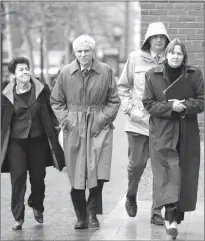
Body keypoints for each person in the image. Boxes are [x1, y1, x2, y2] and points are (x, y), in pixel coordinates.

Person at [50, 35, 121, 230]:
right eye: (79, 51)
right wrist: (66, 120)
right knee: (76, 172)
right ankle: (81, 215)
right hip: (74, 128)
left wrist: (102, 119)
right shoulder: (65, 73)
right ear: (74, 53)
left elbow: (114, 100)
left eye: (87, 50)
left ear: (93, 51)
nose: (83, 54)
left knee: (99, 172)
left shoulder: (106, 71)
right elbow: (56, 101)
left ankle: (92, 213)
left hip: (99, 127)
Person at [142, 38, 204, 239]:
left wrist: (184, 104)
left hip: (187, 131)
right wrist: (170, 107)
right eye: (172, 53)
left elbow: (202, 102)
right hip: (163, 132)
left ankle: (176, 217)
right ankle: (170, 218)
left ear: (184, 56)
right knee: (167, 173)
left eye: (179, 53)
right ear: (165, 55)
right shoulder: (152, 75)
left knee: (184, 173)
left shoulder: (195, 75)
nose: (175, 56)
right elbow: (148, 104)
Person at [1, 57, 65, 230]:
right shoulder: (5, 94)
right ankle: (18, 217)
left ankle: (37, 205)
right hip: (16, 143)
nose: (25, 72)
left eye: (27, 68)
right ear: (13, 74)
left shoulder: (41, 89)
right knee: (18, 180)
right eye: (21, 69)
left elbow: (52, 110)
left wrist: (60, 125)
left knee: (38, 178)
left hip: (38, 141)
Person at [117, 22, 170, 225]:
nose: (158, 40)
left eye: (162, 37)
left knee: (160, 168)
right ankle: (131, 194)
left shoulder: (170, 60)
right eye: (154, 37)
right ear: (148, 39)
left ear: (166, 40)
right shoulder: (134, 58)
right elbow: (122, 87)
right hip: (138, 123)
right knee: (136, 165)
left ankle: (156, 211)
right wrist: (130, 110)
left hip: (163, 125)